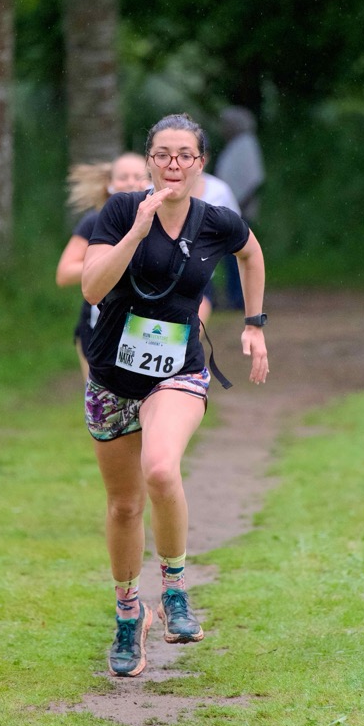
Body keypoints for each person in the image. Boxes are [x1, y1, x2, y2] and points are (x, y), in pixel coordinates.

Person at [81, 112, 269, 677]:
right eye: (162, 154)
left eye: (185, 154)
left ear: (200, 163)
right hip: (111, 376)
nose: (173, 164)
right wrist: (136, 231)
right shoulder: (120, 212)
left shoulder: (216, 221)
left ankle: (175, 591)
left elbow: (252, 253)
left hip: (177, 371)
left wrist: (254, 323)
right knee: (124, 505)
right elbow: (91, 287)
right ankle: (128, 613)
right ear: (149, 160)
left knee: (161, 469)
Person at [56, 154, 150, 382]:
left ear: (151, 183)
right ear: (109, 184)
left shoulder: (166, 223)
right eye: (123, 177)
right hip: (98, 327)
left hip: (148, 329)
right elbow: (64, 273)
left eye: (138, 177)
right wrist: (110, 264)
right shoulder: (94, 221)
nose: (131, 182)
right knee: (102, 402)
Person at [215, 107, 265, 310]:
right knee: (230, 257)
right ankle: (234, 296)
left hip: (239, 211)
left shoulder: (246, 144)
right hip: (231, 209)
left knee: (238, 255)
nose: (223, 128)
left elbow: (254, 181)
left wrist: (238, 208)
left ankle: (238, 298)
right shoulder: (235, 145)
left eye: (227, 124)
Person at [193, 135, 241, 326]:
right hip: (159, 276)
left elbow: (237, 228)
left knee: (192, 333)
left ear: (206, 158)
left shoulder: (219, 190)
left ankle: (236, 298)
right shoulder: (152, 190)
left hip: (202, 274)